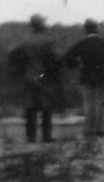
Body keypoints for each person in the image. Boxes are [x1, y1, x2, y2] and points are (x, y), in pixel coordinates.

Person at [7, 14, 62, 142]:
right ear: (42, 24)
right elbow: (58, 57)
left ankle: (30, 137)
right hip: (45, 77)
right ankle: (46, 136)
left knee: (30, 107)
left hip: (29, 77)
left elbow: (12, 54)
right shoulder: (50, 40)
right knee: (46, 107)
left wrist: (21, 66)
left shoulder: (25, 40)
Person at [63, 19, 104, 136]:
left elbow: (67, 56)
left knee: (88, 103)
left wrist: (77, 64)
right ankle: (99, 129)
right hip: (102, 74)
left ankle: (88, 130)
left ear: (85, 30)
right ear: (97, 29)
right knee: (100, 103)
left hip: (86, 75)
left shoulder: (81, 43)